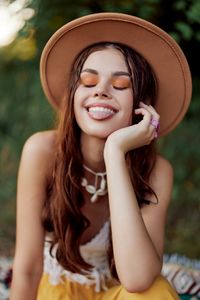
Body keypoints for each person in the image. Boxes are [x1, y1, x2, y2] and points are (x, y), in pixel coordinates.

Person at [10, 12, 192, 300]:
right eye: (88, 81)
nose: (101, 92)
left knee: (155, 290)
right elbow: (27, 269)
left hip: (115, 295)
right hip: (56, 296)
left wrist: (115, 153)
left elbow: (138, 278)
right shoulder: (42, 150)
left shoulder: (157, 170)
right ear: (73, 94)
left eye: (120, 85)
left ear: (142, 103)